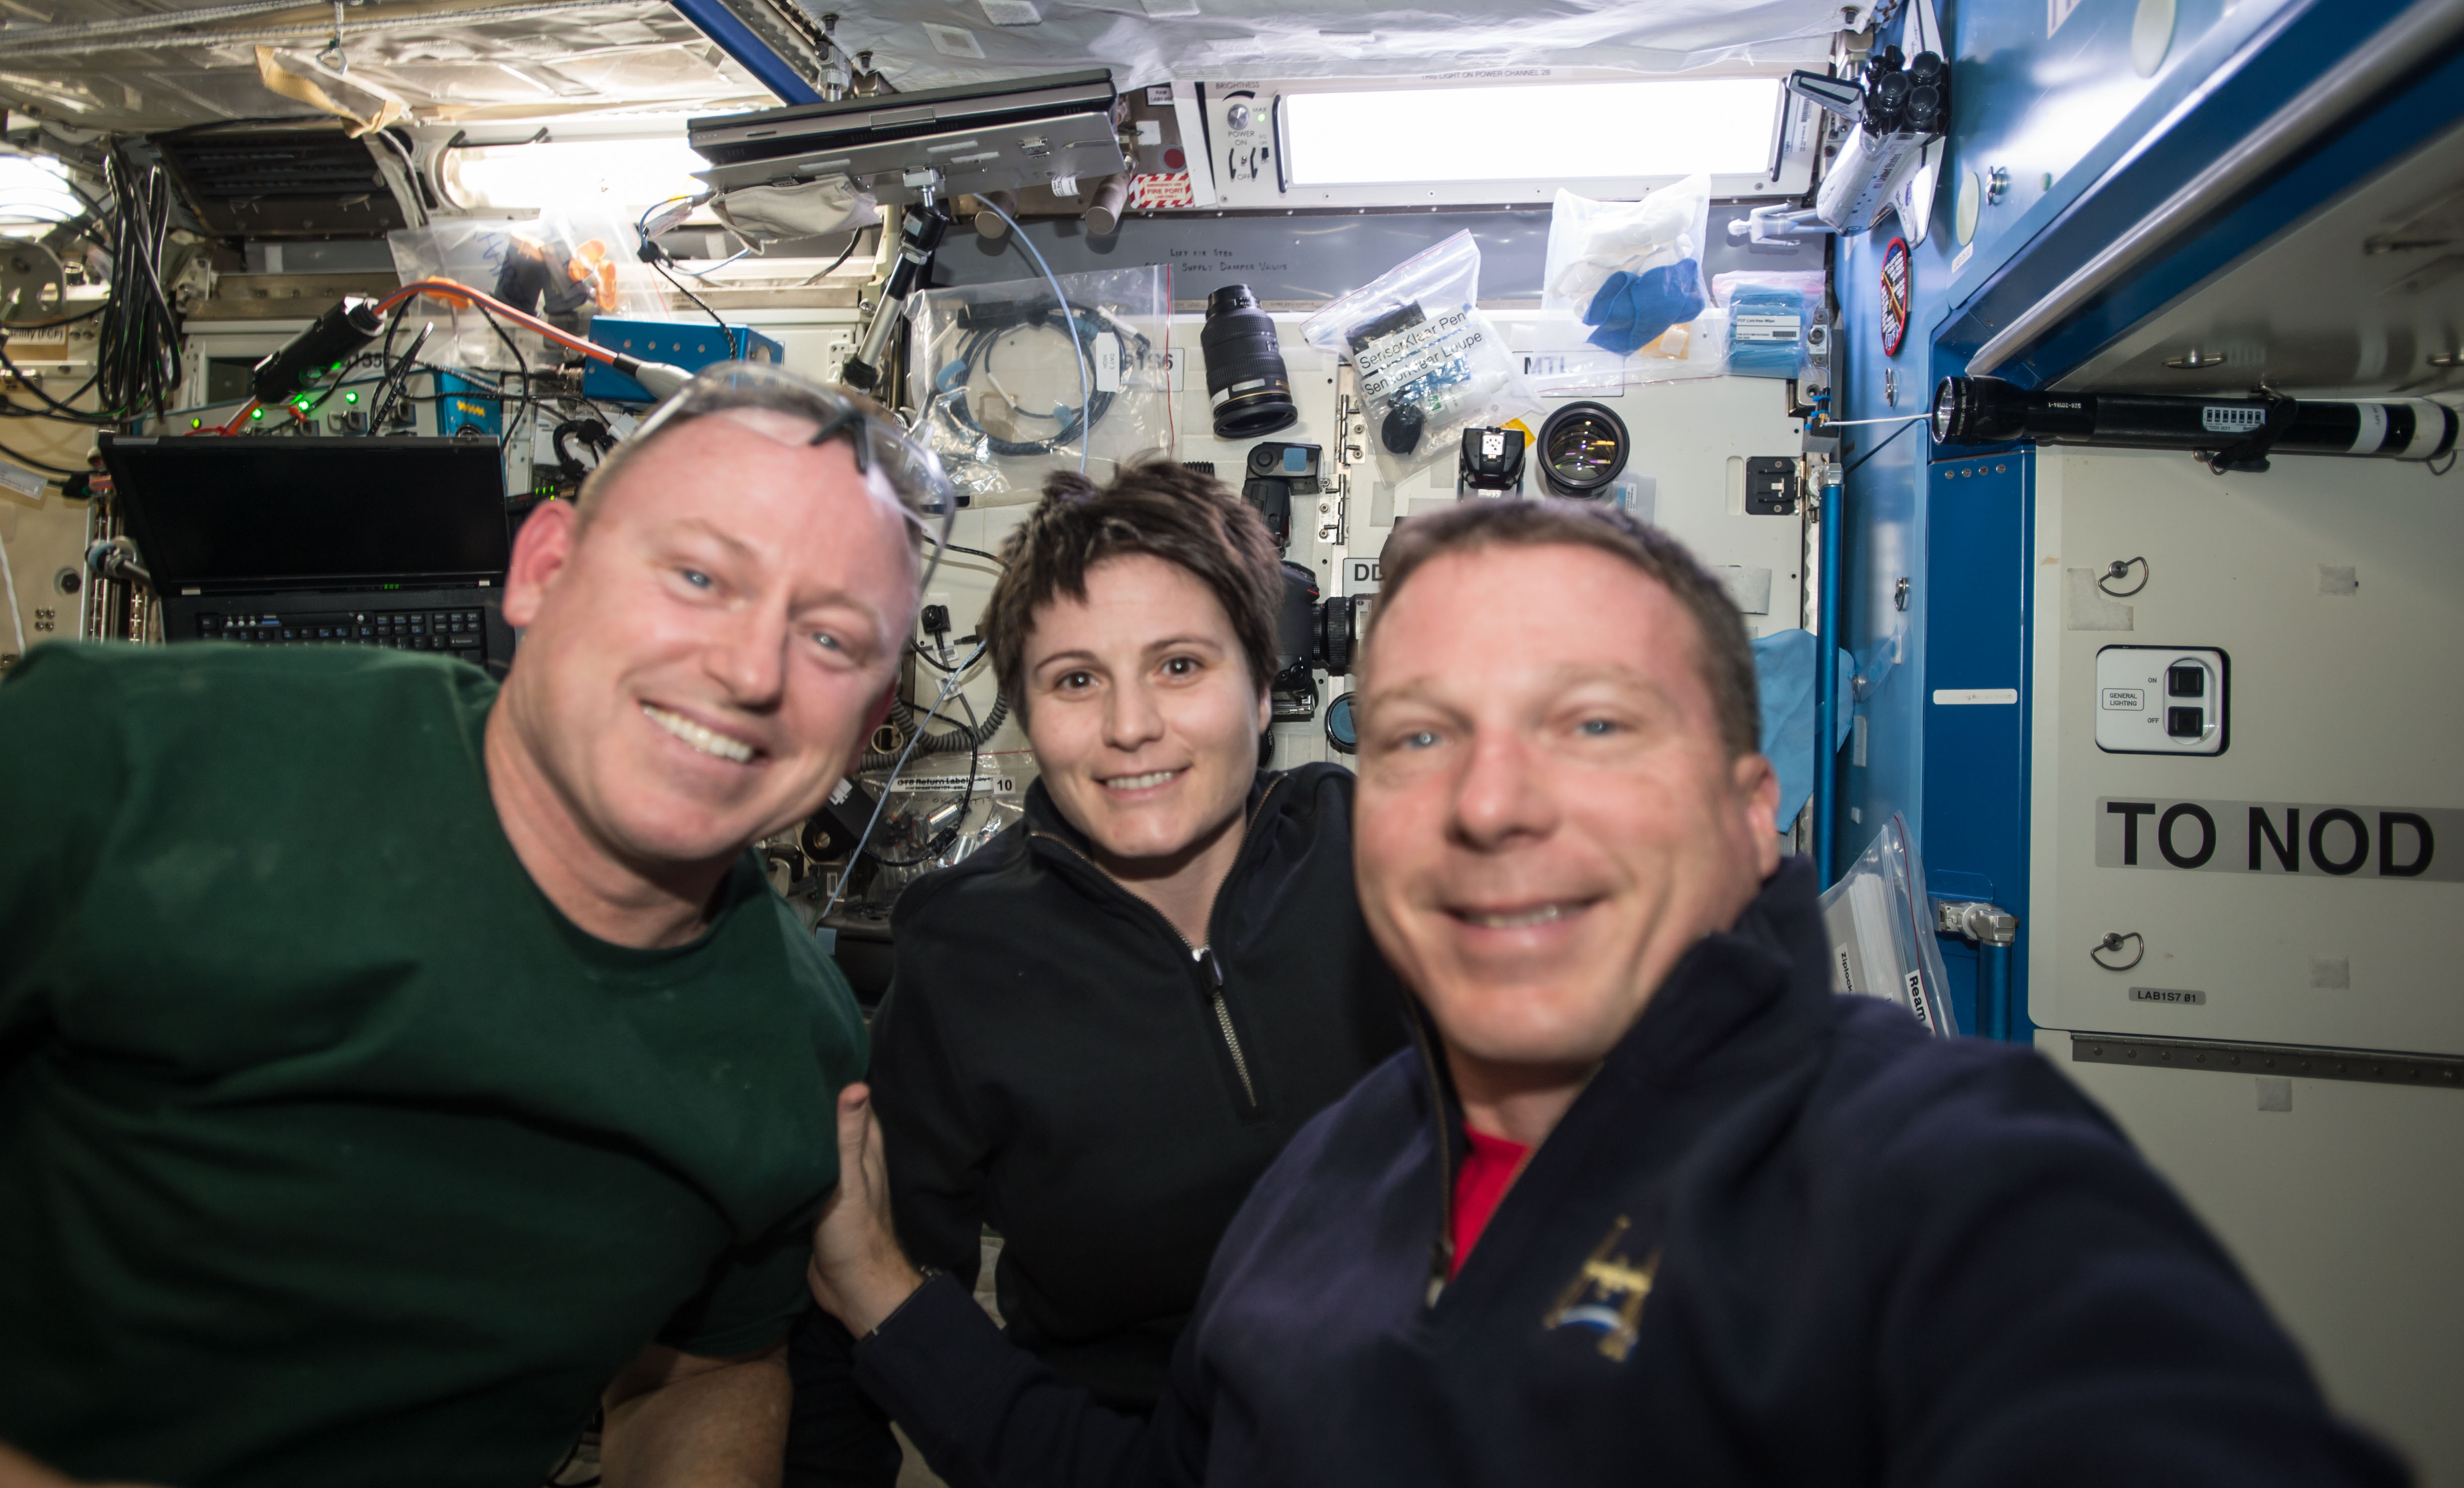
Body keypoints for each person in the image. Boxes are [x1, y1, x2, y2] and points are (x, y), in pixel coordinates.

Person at [804, 497, 2405, 1487]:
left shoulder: (1920, 1170)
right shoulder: (1319, 1210)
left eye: (1593, 726)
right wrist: (887, 1305)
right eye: (1429, 736)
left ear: (1756, 815)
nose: (1499, 804)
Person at [0, 363, 953, 1488]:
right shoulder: (118, 762)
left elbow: (699, 1371)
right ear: (543, 569)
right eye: (697, 575)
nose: (747, 670)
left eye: (831, 639)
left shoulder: (800, 1042)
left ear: (869, 723)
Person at [785, 463, 1406, 1486]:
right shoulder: (963, 954)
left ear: (1262, 687)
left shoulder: (1387, 856)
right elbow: (853, 1304)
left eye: (1179, 665)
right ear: (1028, 715)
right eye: (1075, 679)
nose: (1129, 726)